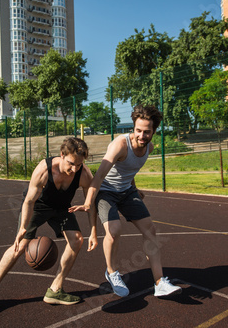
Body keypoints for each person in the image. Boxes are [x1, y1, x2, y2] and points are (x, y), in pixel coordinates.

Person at [0, 137, 98, 318]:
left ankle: (55, 289)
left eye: (79, 165)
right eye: (72, 164)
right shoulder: (44, 170)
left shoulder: (83, 174)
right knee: (20, 245)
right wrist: (23, 228)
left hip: (61, 207)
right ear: (62, 155)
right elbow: (29, 201)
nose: (75, 169)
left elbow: (91, 204)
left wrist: (94, 231)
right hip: (39, 205)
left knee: (77, 240)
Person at [69, 105, 181, 298]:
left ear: (154, 131)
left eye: (147, 132)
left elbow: (130, 170)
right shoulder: (120, 145)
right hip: (106, 191)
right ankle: (111, 272)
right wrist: (88, 202)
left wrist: (134, 188)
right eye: (138, 130)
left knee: (150, 230)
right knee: (114, 231)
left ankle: (160, 282)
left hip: (127, 191)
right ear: (134, 128)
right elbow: (99, 176)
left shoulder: (149, 148)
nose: (141, 135)